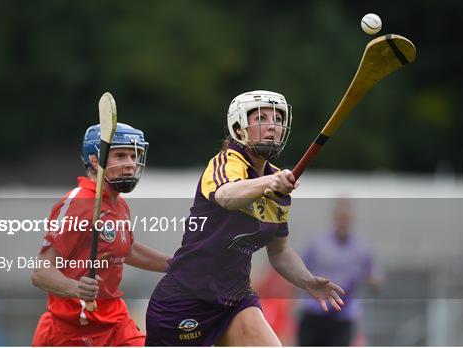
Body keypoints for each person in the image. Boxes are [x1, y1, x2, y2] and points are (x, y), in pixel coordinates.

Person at [145, 90, 345, 346]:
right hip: (184, 301)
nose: (272, 126)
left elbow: (279, 251)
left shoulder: (278, 186)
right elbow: (227, 196)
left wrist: (307, 281)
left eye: (278, 119)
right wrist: (268, 183)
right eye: (261, 118)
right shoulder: (227, 162)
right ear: (239, 129)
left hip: (235, 300)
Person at [31, 123, 171, 346]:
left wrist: (179, 264)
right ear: (95, 160)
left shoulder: (120, 205)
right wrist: (75, 288)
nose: (130, 164)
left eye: (135, 156)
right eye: (120, 155)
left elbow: (128, 249)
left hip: (115, 324)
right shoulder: (78, 203)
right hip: (70, 332)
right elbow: (41, 272)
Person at [297, 197, 381, 346]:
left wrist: (372, 281)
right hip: (314, 313)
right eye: (340, 217)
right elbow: (299, 272)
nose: (343, 221)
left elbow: (374, 277)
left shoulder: (362, 248)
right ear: (334, 217)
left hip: (343, 317)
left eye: (346, 218)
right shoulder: (316, 244)